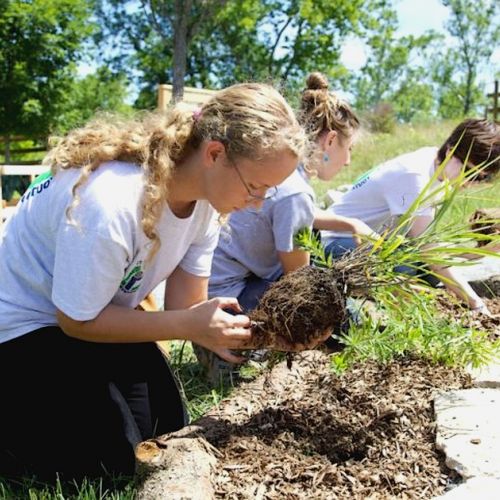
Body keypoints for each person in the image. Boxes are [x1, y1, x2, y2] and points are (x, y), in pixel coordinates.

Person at [0, 83, 313, 480]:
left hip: (93, 320)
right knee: (106, 461)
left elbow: (184, 311)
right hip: (24, 332)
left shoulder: (204, 207)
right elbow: (75, 320)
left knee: (165, 428)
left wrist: (254, 334)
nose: (257, 203)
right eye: (256, 187)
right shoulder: (111, 201)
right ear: (214, 154)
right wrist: (191, 326)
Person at [195, 72, 368, 382]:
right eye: (349, 148)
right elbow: (297, 286)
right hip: (229, 308)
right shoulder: (295, 191)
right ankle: (250, 353)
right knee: (341, 312)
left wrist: (348, 221)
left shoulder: (277, 175)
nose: (348, 161)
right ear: (329, 140)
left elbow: (294, 213)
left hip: (206, 297)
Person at [321, 118, 500, 314]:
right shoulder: (415, 177)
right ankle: (379, 310)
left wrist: (479, 252)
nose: (471, 182)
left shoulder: (434, 164)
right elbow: (430, 252)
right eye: (471, 173)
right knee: (404, 266)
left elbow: (428, 243)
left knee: (427, 273)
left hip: (374, 239)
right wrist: (476, 303)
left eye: (482, 178)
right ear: (451, 152)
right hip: (335, 241)